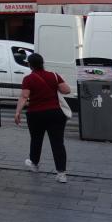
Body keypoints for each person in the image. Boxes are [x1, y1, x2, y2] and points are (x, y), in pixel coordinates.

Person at [15, 53, 70, 183]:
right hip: (55, 113)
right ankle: (61, 174)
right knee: (58, 143)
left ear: (30, 65)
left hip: (36, 114)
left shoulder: (28, 79)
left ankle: (34, 164)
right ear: (42, 63)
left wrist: (17, 112)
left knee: (36, 139)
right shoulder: (54, 75)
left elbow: (24, 96)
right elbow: (66, 90)